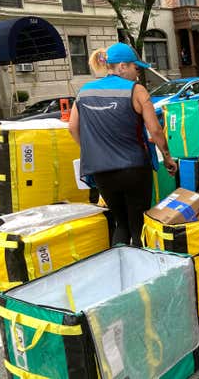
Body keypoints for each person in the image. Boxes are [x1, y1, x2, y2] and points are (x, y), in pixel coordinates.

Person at [68, 42, 178, 247]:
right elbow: (154, 130)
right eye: (136, 68)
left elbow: (72, 127)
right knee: (138, 226)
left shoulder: (84, 91)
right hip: (133, 168)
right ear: (122, 67)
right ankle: (139, 274)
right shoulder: (136, 90)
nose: (138, 74)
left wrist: (91, 149)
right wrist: (168, 157)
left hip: (101, 170)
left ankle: (119, 270)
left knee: (121, 223)